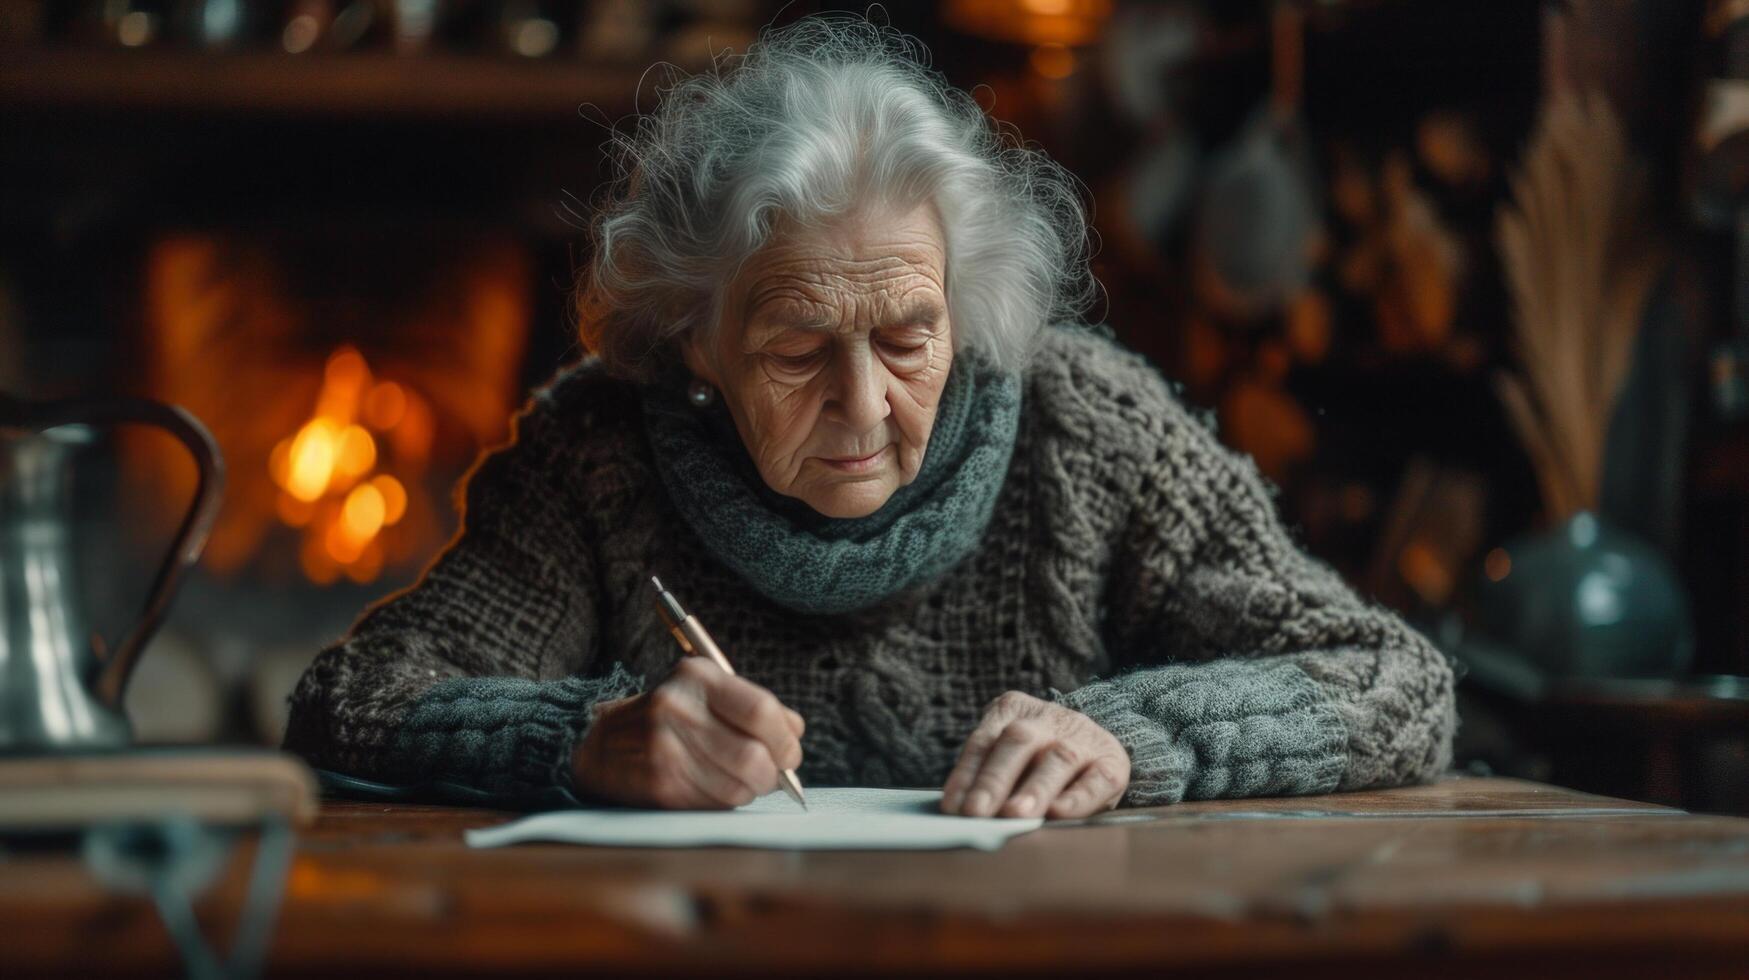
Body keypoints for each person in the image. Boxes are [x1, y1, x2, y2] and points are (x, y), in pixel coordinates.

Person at [283, 15, 1457, 820]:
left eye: (908, 338)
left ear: (966, 305)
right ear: (694, 336)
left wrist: (1134, 736)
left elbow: (1394, 681)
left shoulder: (1090, 428)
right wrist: (580, 741)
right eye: (797, 349)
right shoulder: (599, 448)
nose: (863, 403)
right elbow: (354, 698)